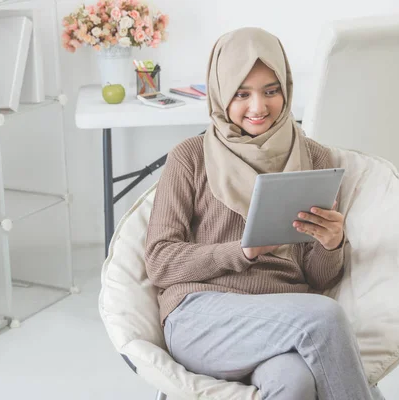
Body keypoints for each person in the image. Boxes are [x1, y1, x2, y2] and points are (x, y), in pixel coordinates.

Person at [144, 27, 384, 400]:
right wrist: (242, 252)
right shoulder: (188, 157)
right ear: (221, 93)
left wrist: (331, 243)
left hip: (285, 319)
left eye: (271, 91)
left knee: (295, 382)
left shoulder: (314, 158)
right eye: (242, 93)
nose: (258, 107)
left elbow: (318, 278)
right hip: (201, 317)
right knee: (326, 316)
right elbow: (160, 262)